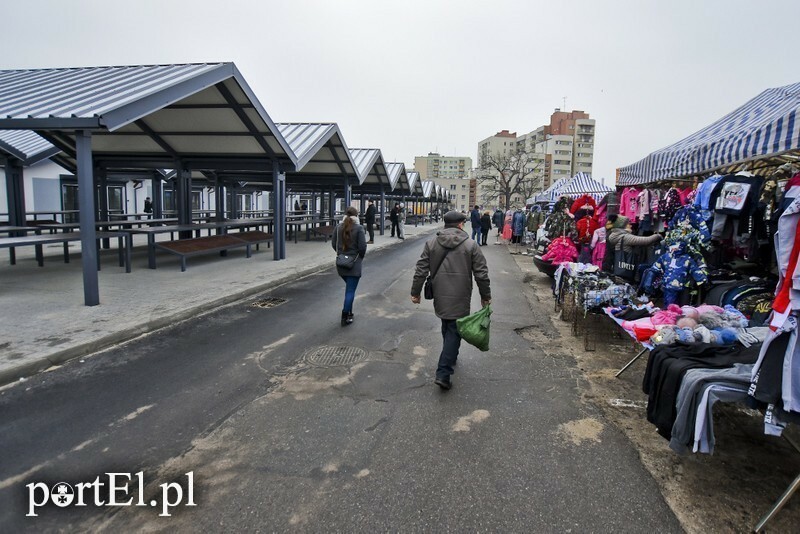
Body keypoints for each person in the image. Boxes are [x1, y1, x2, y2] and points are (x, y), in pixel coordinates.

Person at [410, 210, 491, 390]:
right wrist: (486, 296)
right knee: (454, 329)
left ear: (445, 224)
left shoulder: (431, 243)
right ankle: (443, 373)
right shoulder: (471, 245)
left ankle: (451, 356)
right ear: (461, 224)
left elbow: (421, 270)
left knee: (448, 325)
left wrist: (415, 292)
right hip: (461, 294)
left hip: (440, 292)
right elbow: (482, 274)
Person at [331, 207, 367, 326]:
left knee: (349, 289)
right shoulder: (359, 228)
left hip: (341, 264)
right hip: (354, 264)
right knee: (350, 291)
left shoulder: (338, 227)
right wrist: (359, 258)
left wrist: (341, 254)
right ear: (356, 216)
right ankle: (345, 315)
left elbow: (334, 244)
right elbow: (362, 248)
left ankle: (349, 313)